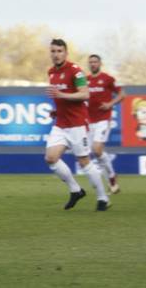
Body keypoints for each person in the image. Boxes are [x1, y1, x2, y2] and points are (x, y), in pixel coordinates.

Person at [44, 39, 109, 211]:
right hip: (61, 123)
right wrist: (56, 111)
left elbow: (85, 94)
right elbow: (61, 97)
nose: (56, 54)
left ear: (66, 53)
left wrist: (61, 95)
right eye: (53, 51)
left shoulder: (75, 71)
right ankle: (76, 190)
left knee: (84, 162)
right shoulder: (51, 72)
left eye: (59, 51)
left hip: (77, 125)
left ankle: (103, 197)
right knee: (51, 158)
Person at [86, 54, 124, 194]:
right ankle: (112, 176)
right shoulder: (86, 80)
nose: (93, 64)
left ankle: (111, 178)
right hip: (89, 122)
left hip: (103, 119)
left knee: (96, 149)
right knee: (96, 152)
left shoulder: (108, 79)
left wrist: (110, 104)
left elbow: (122, 94)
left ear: (100, 63)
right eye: (90, 62)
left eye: (95, 62)